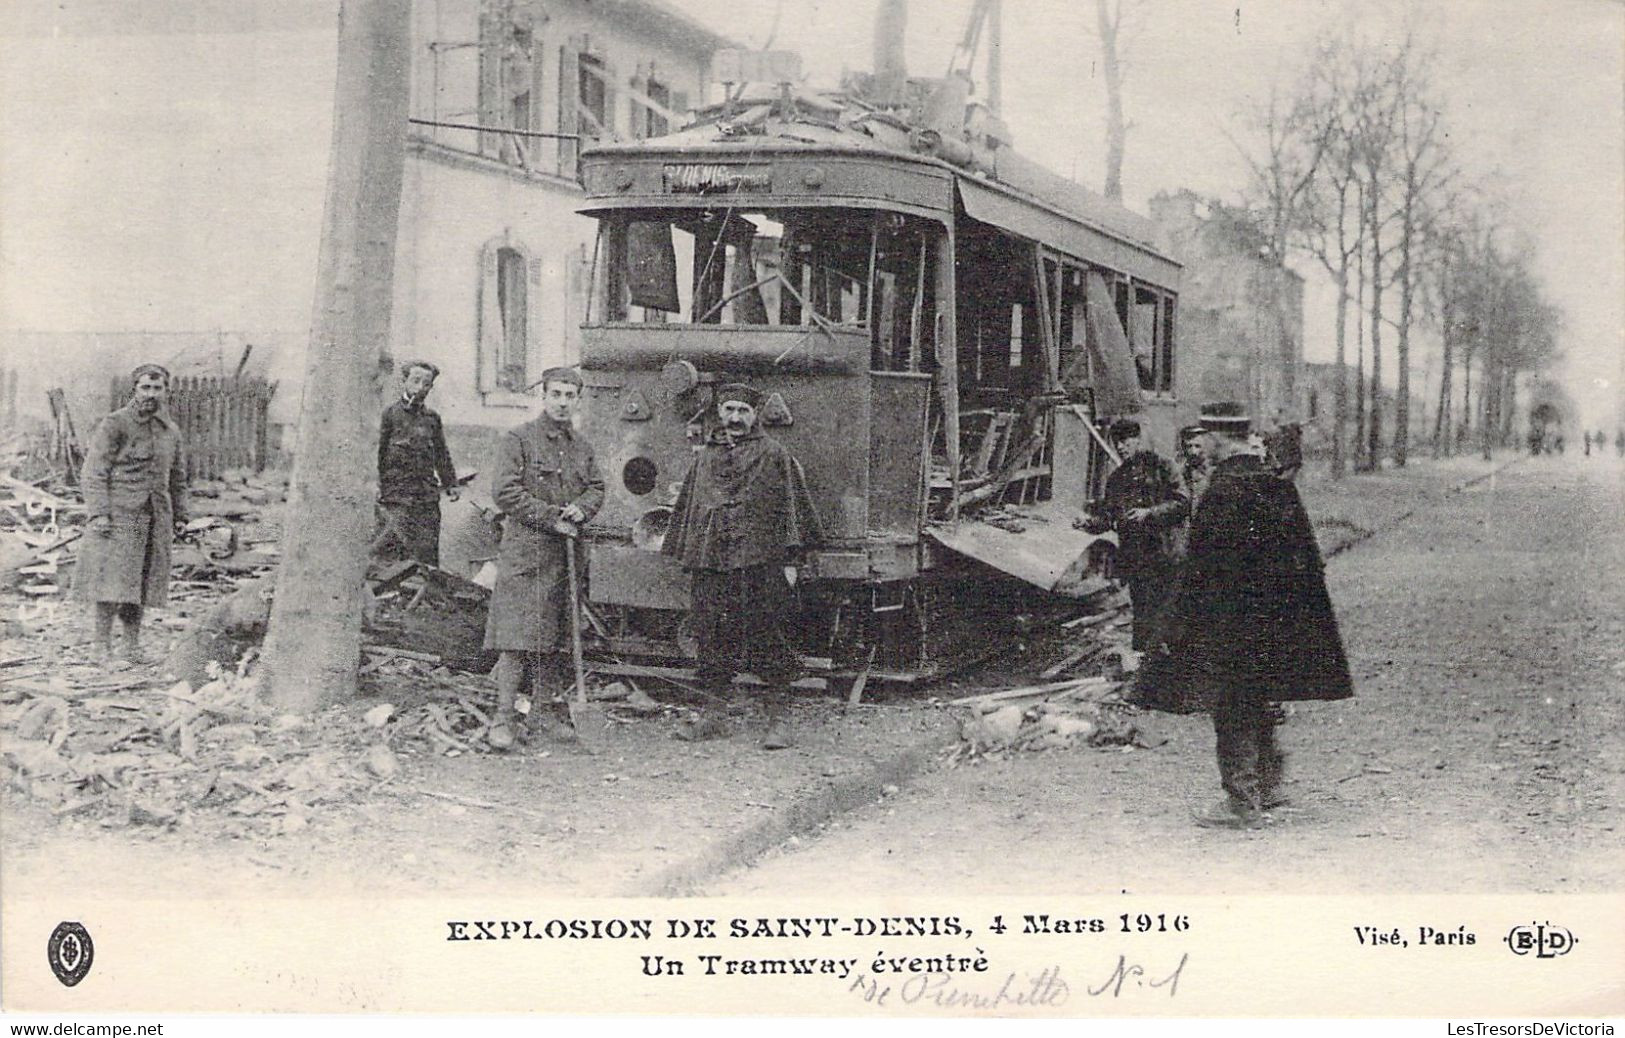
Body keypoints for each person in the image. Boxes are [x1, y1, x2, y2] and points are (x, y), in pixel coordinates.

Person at [1133, 401, 1352, 829]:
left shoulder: (1222, 492)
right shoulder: (1279, 486)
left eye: (1206, 440)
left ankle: (1241, 804)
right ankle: (1268, 788)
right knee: (1260, 699)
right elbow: (1310, 559)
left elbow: (1202, 571)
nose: (1203, 449)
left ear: (1218, 438)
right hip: (1275, 620)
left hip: (1230, 623)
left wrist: (1174, 626)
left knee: (1231, 706)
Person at [662, 383, 822, 750]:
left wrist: (792, 561)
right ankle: (714, 716)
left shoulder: (774, 454)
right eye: (730, 409)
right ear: (719, 412)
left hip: (760, 563)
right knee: (711, 637)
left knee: (769, 637)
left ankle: (778, 720)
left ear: (755, 415)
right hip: (713, 564)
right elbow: (692, 508)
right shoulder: (705, 458)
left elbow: (792, 512)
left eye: (743, 411)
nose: (735, 418)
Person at [482, 367, 604, 751]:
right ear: (544, 396)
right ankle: (503, 719)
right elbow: (505, 491)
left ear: (578, 399)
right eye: (557, 394)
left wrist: (581, 511)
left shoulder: (582, 447)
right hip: (528, 553)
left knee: (554, 638)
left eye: (570, 395)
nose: (563, 402)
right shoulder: (519, 439)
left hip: (566, 556)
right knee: (516, 637)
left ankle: (541, 716)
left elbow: (597, 487)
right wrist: (554, 517)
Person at [74, 364, 189, 663]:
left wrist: (181, 517)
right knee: (111, 582)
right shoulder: (115, 424)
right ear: (134, 389)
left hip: (155, 518)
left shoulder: (171, 432)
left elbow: (177, 478)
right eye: (145, 388)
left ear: (166, 391)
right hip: (120, 516)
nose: (151, 394)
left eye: (157, 388)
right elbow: (94, 471)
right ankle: (101, 646)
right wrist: (98, 513)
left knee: (142, 583)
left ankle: (131, 646)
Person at [1083, 417, 1188, 651]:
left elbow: (1182, 503)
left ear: (1138, 440)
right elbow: (1109, 518)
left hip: (1166, 554)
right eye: (1116, 442)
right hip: (1137, 559)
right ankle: (1143, 668)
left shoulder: (1163, 467)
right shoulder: (1117, 479)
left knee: (1168, 617)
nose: (1121, 447)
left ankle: (1170, 669)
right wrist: (1089, 523)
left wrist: (1149, 513)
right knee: (1142, 616)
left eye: (1126, 441)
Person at [374, 360, 459, 566]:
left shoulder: (432, 419)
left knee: (427, 552)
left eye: (426, 383)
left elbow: (441, 453)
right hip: (396, 496)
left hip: (426, 497)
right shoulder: (390, 415)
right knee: (393, 549)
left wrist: (450, 484)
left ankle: (425, 595)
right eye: (415, 381)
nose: (421, 388)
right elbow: (377, 452)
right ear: (405, 381)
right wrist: (375, 484)